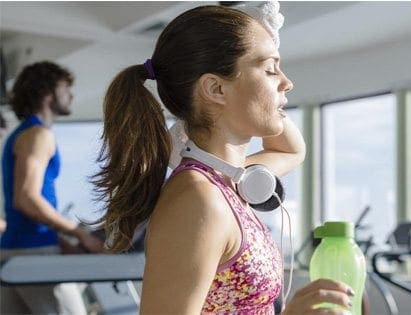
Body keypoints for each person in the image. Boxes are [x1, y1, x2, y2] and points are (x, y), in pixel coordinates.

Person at [95, 3, 355, 314]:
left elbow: (291, 150)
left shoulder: (227, 181)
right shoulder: (197, 199)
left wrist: (260, 41)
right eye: (271, 70)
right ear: (216, 88)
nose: (287, 82)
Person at [1, 61, 105, 314]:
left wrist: (63, 243)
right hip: (34, 256)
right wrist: (81, 235)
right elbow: (26, 199)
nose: (71, 95)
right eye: (65, 88)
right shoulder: (38, 135)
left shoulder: (22, 135)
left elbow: (23, 212)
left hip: (15, 253)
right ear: (47, 93)